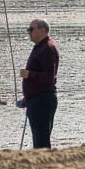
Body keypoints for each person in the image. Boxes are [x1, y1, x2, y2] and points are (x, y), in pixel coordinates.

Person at [21, 19, 60, 148]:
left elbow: (49, 77)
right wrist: (28, 97)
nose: (29, 32)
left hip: (42, 101)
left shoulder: (47, 48)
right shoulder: (40, 47)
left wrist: (29, 74)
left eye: (32, 29)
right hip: (36, 100)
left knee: (41, 141)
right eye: (28, 30)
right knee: (38, 140)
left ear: (43, 30)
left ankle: (45, 166)